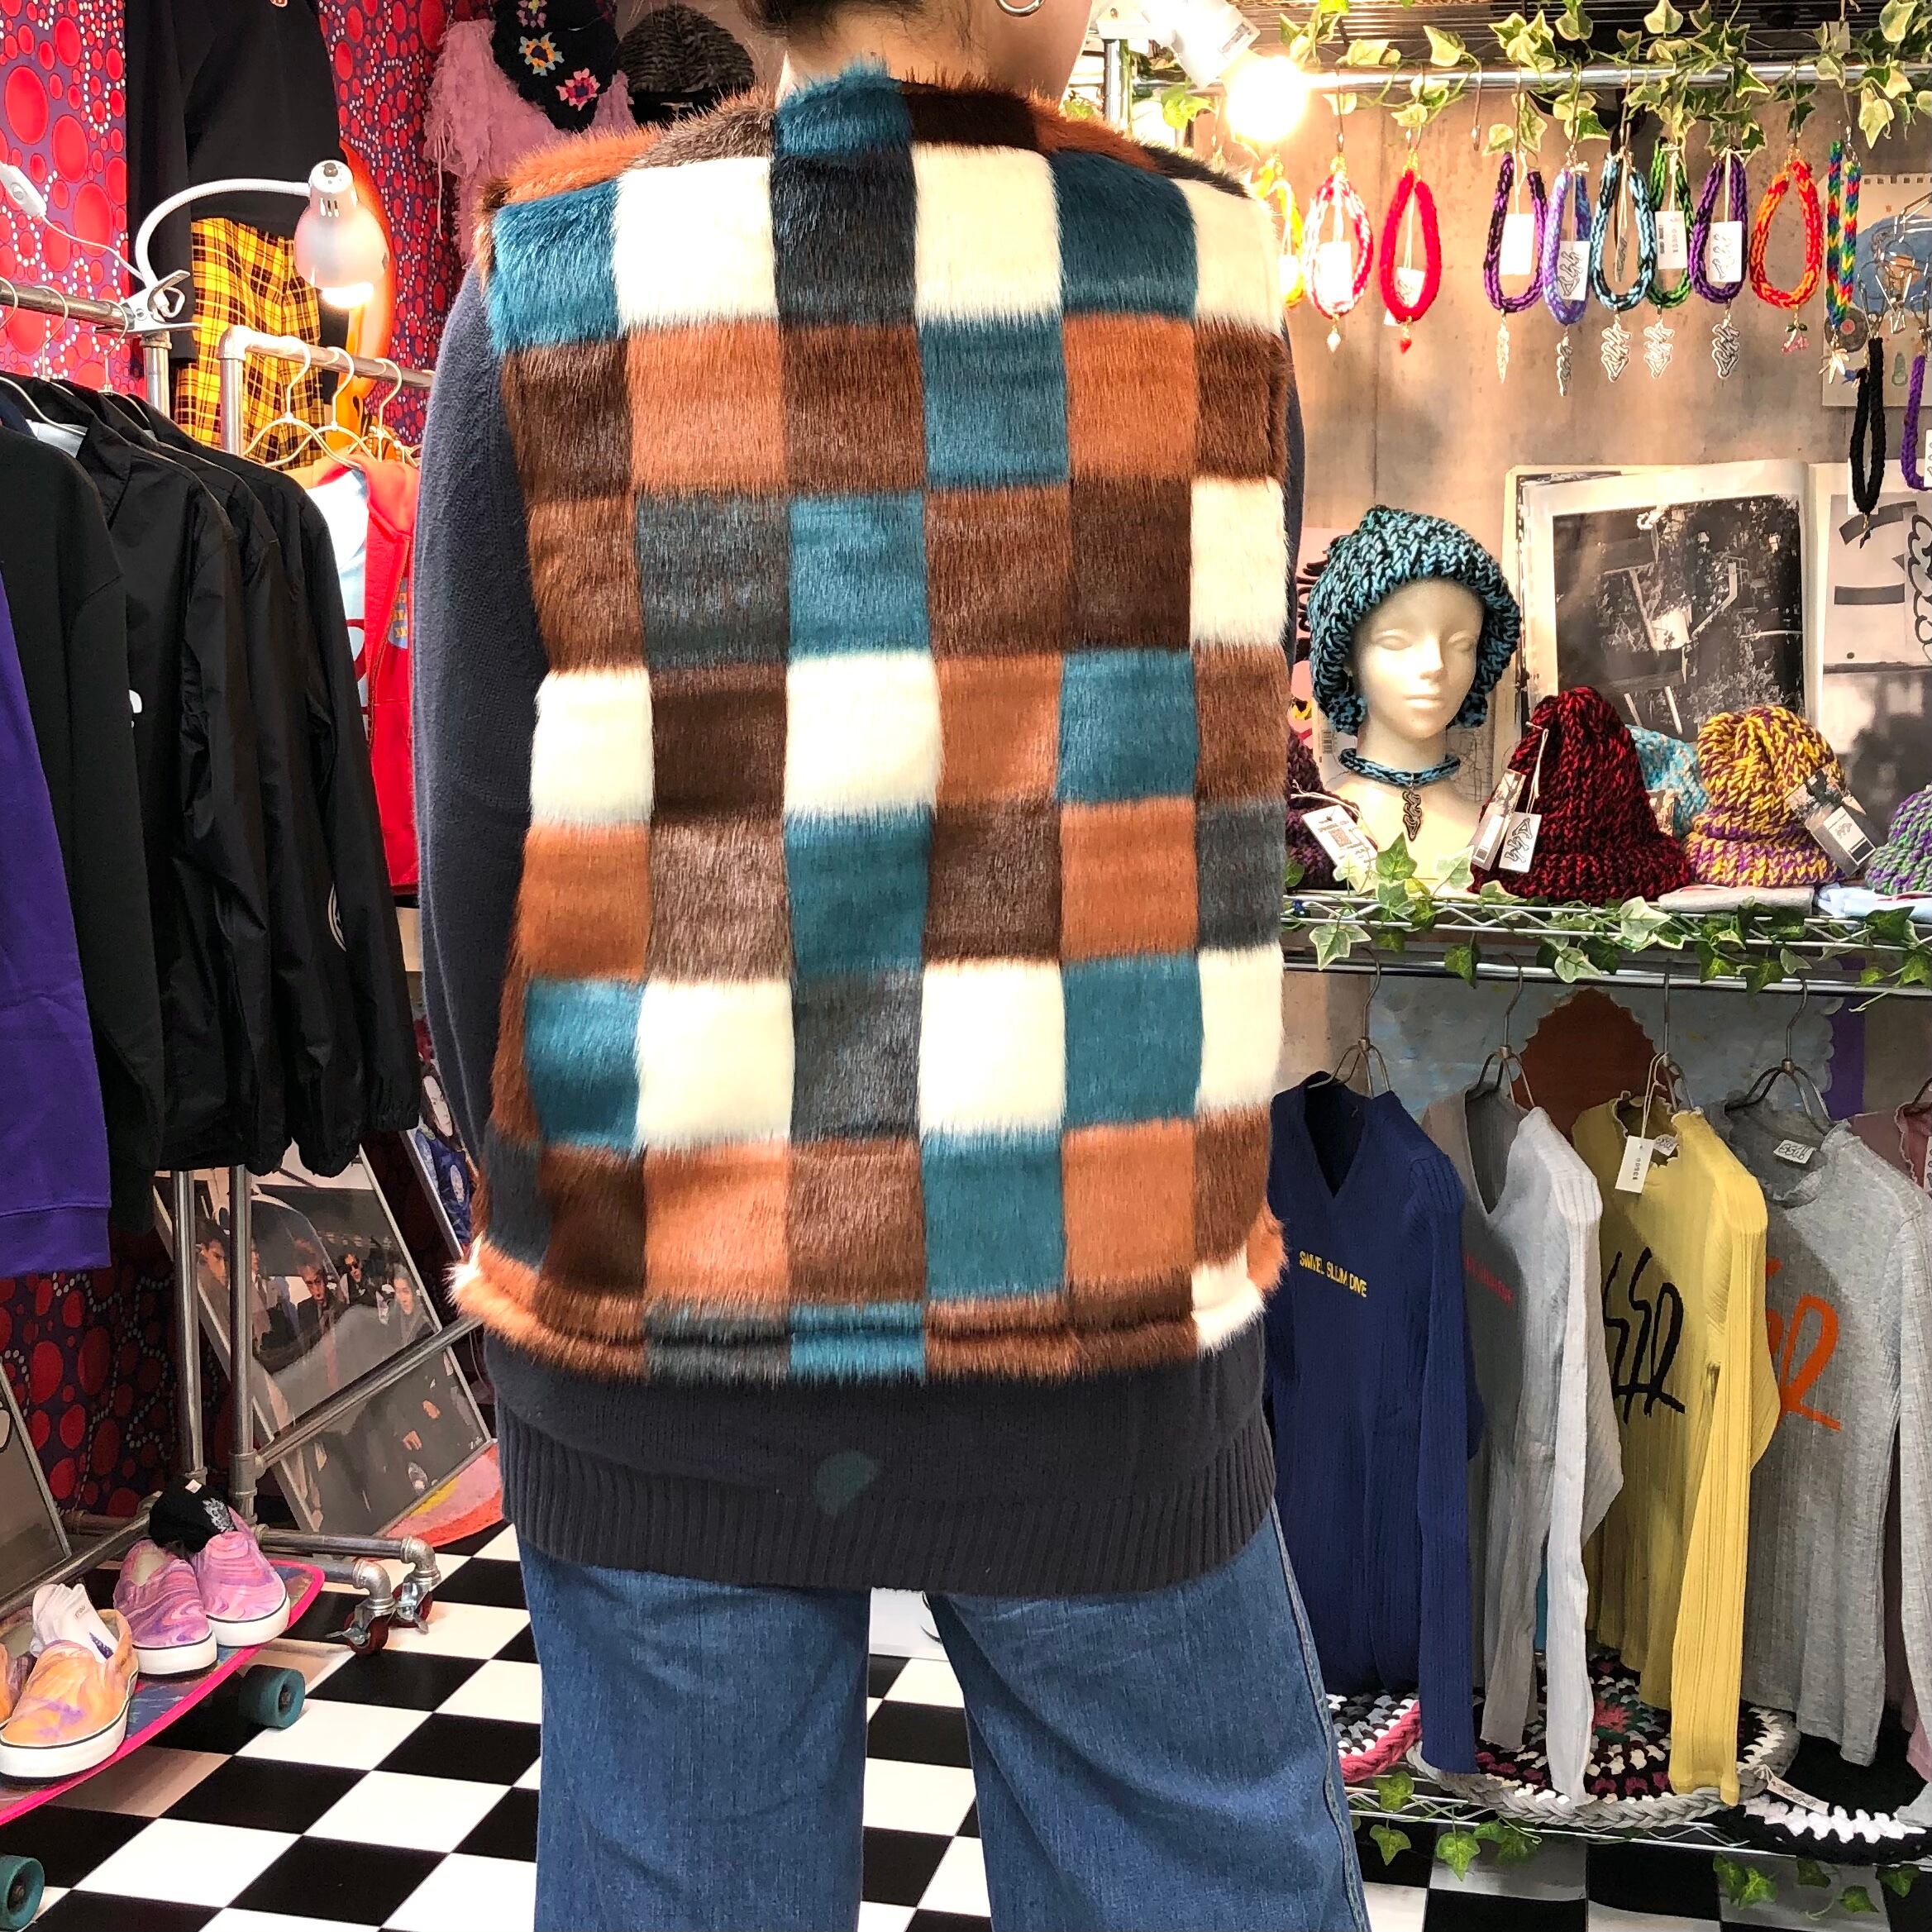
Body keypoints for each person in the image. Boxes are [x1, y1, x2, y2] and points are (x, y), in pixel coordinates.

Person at [413, 0, 1351, 1924]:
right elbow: (1214, 796)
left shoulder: (548, 286)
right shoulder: (1202, 271)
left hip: (664, 1310)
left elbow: (482, 886)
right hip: (1096, 1295)